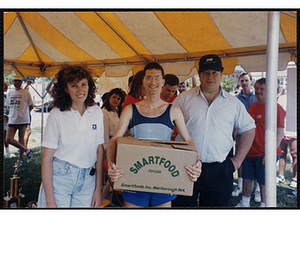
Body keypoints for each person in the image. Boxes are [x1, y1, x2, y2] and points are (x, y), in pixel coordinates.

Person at [107, 62, 201, 208]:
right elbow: (114, 140)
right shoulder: (131, 109)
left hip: (163, 176)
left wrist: (197, 162)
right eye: (149, 78)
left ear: (163, 81)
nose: (153, 82)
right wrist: (112, 166)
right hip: (135, 175)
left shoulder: (173, 110)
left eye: (157, 78)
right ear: (143, 81)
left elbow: (188, 140)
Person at [172, 54, 256, 207]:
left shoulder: (233, 103)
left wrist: (237, 161)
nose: (210, 76)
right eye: (205, 72)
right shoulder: (183, 99)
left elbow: (249, 129)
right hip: (185, 166)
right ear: (199, 75)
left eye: (214, 72)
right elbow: (167, 125)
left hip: (220, 170)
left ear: (221, 75)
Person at [37, 65, 104, 208]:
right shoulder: (56, 114)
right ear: (66, 89)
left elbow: (99, 151)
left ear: (89, 86)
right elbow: (47, 159)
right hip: (61, 178)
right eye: (74, 86)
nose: (80, 90)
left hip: (88, 181)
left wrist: (98, 190)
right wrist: (50, 201)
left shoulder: (97, 112)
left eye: (83, 85)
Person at [235, 78, 285, 207]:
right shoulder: (252, 106)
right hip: (250, 151)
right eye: (257, 88)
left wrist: (271, 152)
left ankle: (264, 205)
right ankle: (245, 203)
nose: (258, 91)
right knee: (247, 178)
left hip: (265, 152)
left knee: (264, 182)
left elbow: (280, 132)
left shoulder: (276, 108)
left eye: (262, 89)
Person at [231, 72, 259, 201]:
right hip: (240, 134)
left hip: (257, 134)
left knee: (258, 160)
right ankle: (240, 186)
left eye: (246, 80)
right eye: (242, 81)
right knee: (240, 158)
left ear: (251, 81)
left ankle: (257, 189)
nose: (244, 83)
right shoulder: (236, 98)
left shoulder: (257, 96)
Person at [5, 75, 34, 167]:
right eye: (15, 81)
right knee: (8, 139)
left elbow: (31, 105)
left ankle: (20, 160)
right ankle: (27, 151)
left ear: (21, 82)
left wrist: (24, 113)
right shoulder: (10, 92)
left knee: (21, 140)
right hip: (12, 120)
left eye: (19, 81)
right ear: (13, 82)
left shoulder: (26, 92)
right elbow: (8, 106)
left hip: (22, 119)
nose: (17, 82)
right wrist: (9, 115)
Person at [4, 80, 16, 158]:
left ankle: (7, 152)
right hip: (5, 117)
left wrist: (8, 115)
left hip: (5, 118)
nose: (6, 88)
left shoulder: (5, 96)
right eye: (5, 86)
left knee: (5, 136)